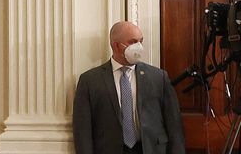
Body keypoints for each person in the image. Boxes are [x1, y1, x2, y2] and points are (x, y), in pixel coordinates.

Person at [73, 21, 185, 154]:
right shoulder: (90, 81)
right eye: (133, 42)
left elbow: (174, 125)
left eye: (141, 41)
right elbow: (82, 130)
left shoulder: (158, 77)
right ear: (116, 45)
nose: (139, 47)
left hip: (150, 148)